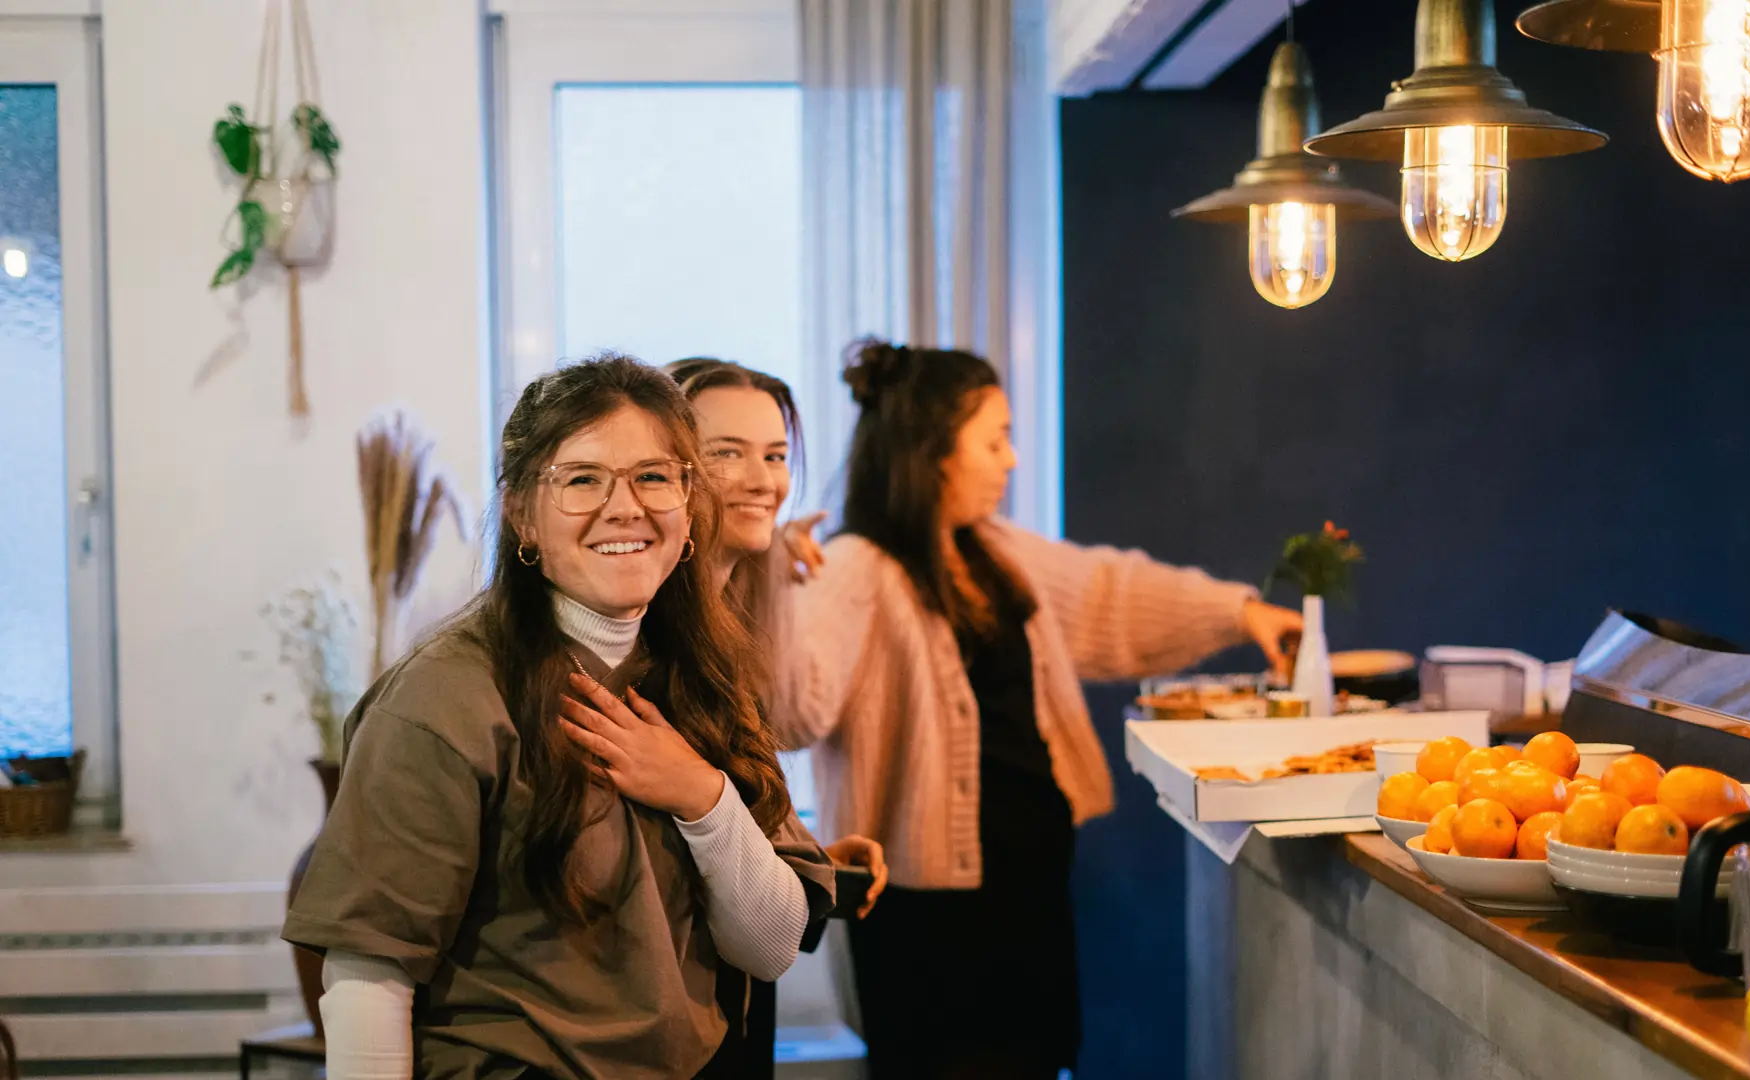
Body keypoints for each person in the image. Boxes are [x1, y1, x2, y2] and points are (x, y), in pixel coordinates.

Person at [283, 355, 835, 1080]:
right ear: (521, 514)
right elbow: (368, 976)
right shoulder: (444, 698)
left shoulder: (702, 675)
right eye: (582, 479)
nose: (625, 506)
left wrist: (703, 798)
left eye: (653, 476)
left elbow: (768, 948)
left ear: (688, 502)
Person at [777, 340, 1302, 1080]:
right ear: (932, 452)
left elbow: (1107, 594)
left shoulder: (992, 551)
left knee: (1038, 1060)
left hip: (1028, 887)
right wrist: (773, 583)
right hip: (926, 919)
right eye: (994, 440)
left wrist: (1239, 613)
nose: (1011, 460)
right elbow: (792, 709)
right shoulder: (858, 568)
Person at [666, 357, 889, 1076]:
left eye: (775, 455)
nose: (763, 480)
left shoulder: (732, 620)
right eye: (727, 454)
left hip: (735, 996)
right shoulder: (652, 639)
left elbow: (720, 811)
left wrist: (804, 851)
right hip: (676, 1010)